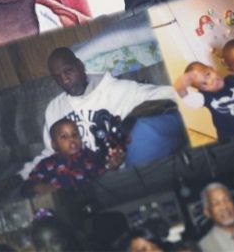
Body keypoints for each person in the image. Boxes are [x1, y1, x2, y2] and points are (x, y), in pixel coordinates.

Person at [20, 47, 177, 178]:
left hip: (122, 168)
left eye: (68, 71)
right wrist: (23, 175)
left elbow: (164, 94)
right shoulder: (54, 108)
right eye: (57, 77)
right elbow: (50, 151)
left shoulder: (116, 90)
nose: (65, 80)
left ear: (80, 66)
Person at [23, 118, 123, 196]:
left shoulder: (89, 157)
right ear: (54, 144)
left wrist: (111, 166)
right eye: (64, 137)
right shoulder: (46, 165)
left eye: (75, 134)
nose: (72, 139)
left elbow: (102, 174)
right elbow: (26, 187)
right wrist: (40, 188)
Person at [174, 61, 234, 141]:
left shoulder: (233, 79)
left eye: (208, 74)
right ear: (200, 89)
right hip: (229, 139)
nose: (211, 81)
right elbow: (184, 94)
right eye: (204, 83)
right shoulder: (204, 96)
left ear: (212, 69)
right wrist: (180, 84)